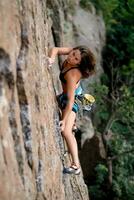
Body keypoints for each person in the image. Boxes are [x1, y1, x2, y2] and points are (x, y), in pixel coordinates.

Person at [48, 46, 96, 175]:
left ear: (79, 63)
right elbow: (56, 49)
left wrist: (63, 120)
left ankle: (76, 166)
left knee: (65, 131)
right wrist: (51, 59)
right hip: (66, 96)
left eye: (76, 59)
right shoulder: (73, 52)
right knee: (58, 101)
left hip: (73, 100)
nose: (71, 57)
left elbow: (70, 101)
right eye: (73, 54)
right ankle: (72, 123)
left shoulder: (72, 74)